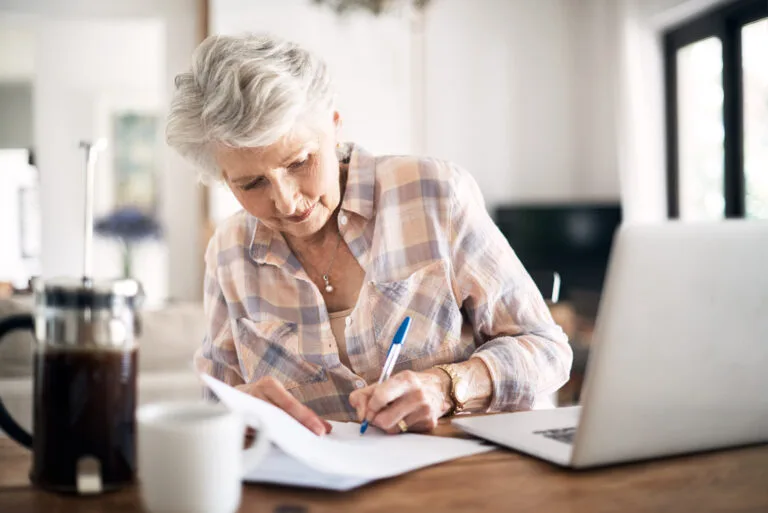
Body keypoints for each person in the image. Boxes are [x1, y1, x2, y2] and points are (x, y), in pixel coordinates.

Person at [166, 33, 572, 436]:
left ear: (335, 126)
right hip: (317, 491)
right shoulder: (229, 253)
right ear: (222, 177)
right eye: (251, 184)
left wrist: (447, 386)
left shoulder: (435, 194)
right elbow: (215, 403)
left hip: (459, 481)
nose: (287, 202)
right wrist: (241, 412)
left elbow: (547, 350)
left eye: (300, 162)